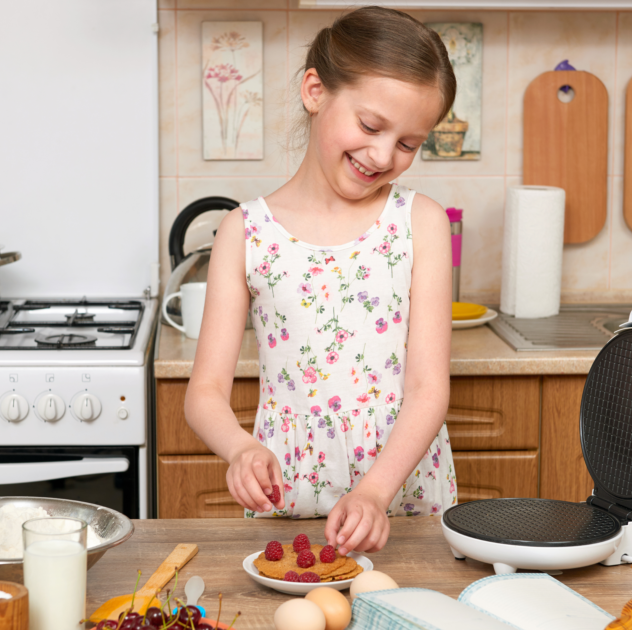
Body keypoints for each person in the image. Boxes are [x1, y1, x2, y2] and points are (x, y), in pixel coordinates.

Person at [184, 6, 457, 557]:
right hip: (288, 502)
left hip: (400, 505)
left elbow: (429, 389)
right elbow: (204, 393)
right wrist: (239, 450)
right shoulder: (244, 231)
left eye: (408, 143)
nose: (383, 155)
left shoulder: (420, 223)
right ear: (315, 90)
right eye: (371, 126)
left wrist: (375, 493)